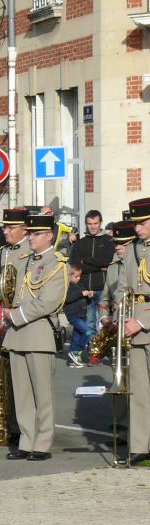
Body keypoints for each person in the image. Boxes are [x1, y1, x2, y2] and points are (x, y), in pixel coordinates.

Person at [1, 214, 66, 461]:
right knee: (22, 393)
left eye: (35, 234)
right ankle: (27, 440)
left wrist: (14, 315)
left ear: (49, 235)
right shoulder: (24, 260)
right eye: (29, 233)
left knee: (42, 393)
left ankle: (43, 442)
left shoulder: (57, 263)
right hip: (18, 334)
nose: (31, 237)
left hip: (38, 332)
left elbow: (48, 302)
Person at [116, 198, 150, 467]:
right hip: (134, 326)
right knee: (139, 391)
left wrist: (141, 321)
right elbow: (123, 289)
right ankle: (139, 446)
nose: (137, 229)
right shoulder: (132, 250)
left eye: (142, 223)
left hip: (144, 323)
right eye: (136, 223)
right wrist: (122, 317)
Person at [70, 209, 114, 365]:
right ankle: (92, 354)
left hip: (103, 288)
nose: (93, 227)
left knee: (104, 323)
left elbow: (108, 262)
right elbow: (76, 265)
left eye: (95, 223)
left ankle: (103, 351)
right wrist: (99, 266)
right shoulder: (81, 243)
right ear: (86, 224)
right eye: (89, 224)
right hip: (86, 289)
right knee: (89, 323)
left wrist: (87, 261)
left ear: (100, 223)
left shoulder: (109, 241)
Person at [62, 263, 91, 368]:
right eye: (76, 276)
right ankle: (79, 350)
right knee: (87, 332)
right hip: (73, 315)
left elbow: (83, 299)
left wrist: (88, 296)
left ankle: (72, 359)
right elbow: (67, 299)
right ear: (69, 276)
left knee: (76, 336)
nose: (78, 278)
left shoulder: (80, 285)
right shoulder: (67, 286)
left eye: (79, 276)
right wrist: (81, 294)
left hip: (82, 314)